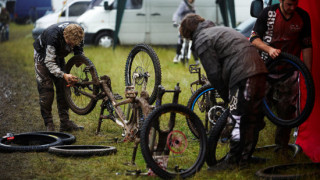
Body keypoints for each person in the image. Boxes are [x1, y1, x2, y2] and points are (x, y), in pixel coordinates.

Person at [179, 14, 268, 169]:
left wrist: (227, 96)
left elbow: (214, 74)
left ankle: (233, 160)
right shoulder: (218, 29)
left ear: (188, 33)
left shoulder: (202, 40)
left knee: (236, 118)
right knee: (251, 117)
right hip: (259, 70)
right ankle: (245, 159)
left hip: (243, 74)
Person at [250, 0, 312, 153]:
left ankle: (282, 148)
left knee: (287, 112)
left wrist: (307, 73)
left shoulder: (303, 16)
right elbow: (253, 39)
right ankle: (248, 148)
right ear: (282, 0)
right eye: (289, 4)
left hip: (289, 71)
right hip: (265, 69)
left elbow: (307, 46)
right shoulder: (268, 13)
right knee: (256, 111)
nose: (293, 8)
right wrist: (268, 49)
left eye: (295, 4)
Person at [33, 22, 85, 132]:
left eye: (73, 45)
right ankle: (49, 124)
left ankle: (65, 123)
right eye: (69, 43)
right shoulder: (53, 36)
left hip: (58, 55)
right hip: (42, 56)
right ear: (64, 36)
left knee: (64, 87)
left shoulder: (79, 34)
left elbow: (79, 52)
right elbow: (49, 62)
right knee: (46, 89)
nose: (71, 46)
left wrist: (79, 59)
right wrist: (63, 74)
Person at [172, 0, 199, 64]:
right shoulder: (183, 4)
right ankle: (177, 56)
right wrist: (174, 21)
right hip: (183, 26)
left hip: (191, 27)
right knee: (180, 40)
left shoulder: (193, 6)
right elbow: (176, 13)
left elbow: (196, 16)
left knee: (193, 42)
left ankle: (196, 60)